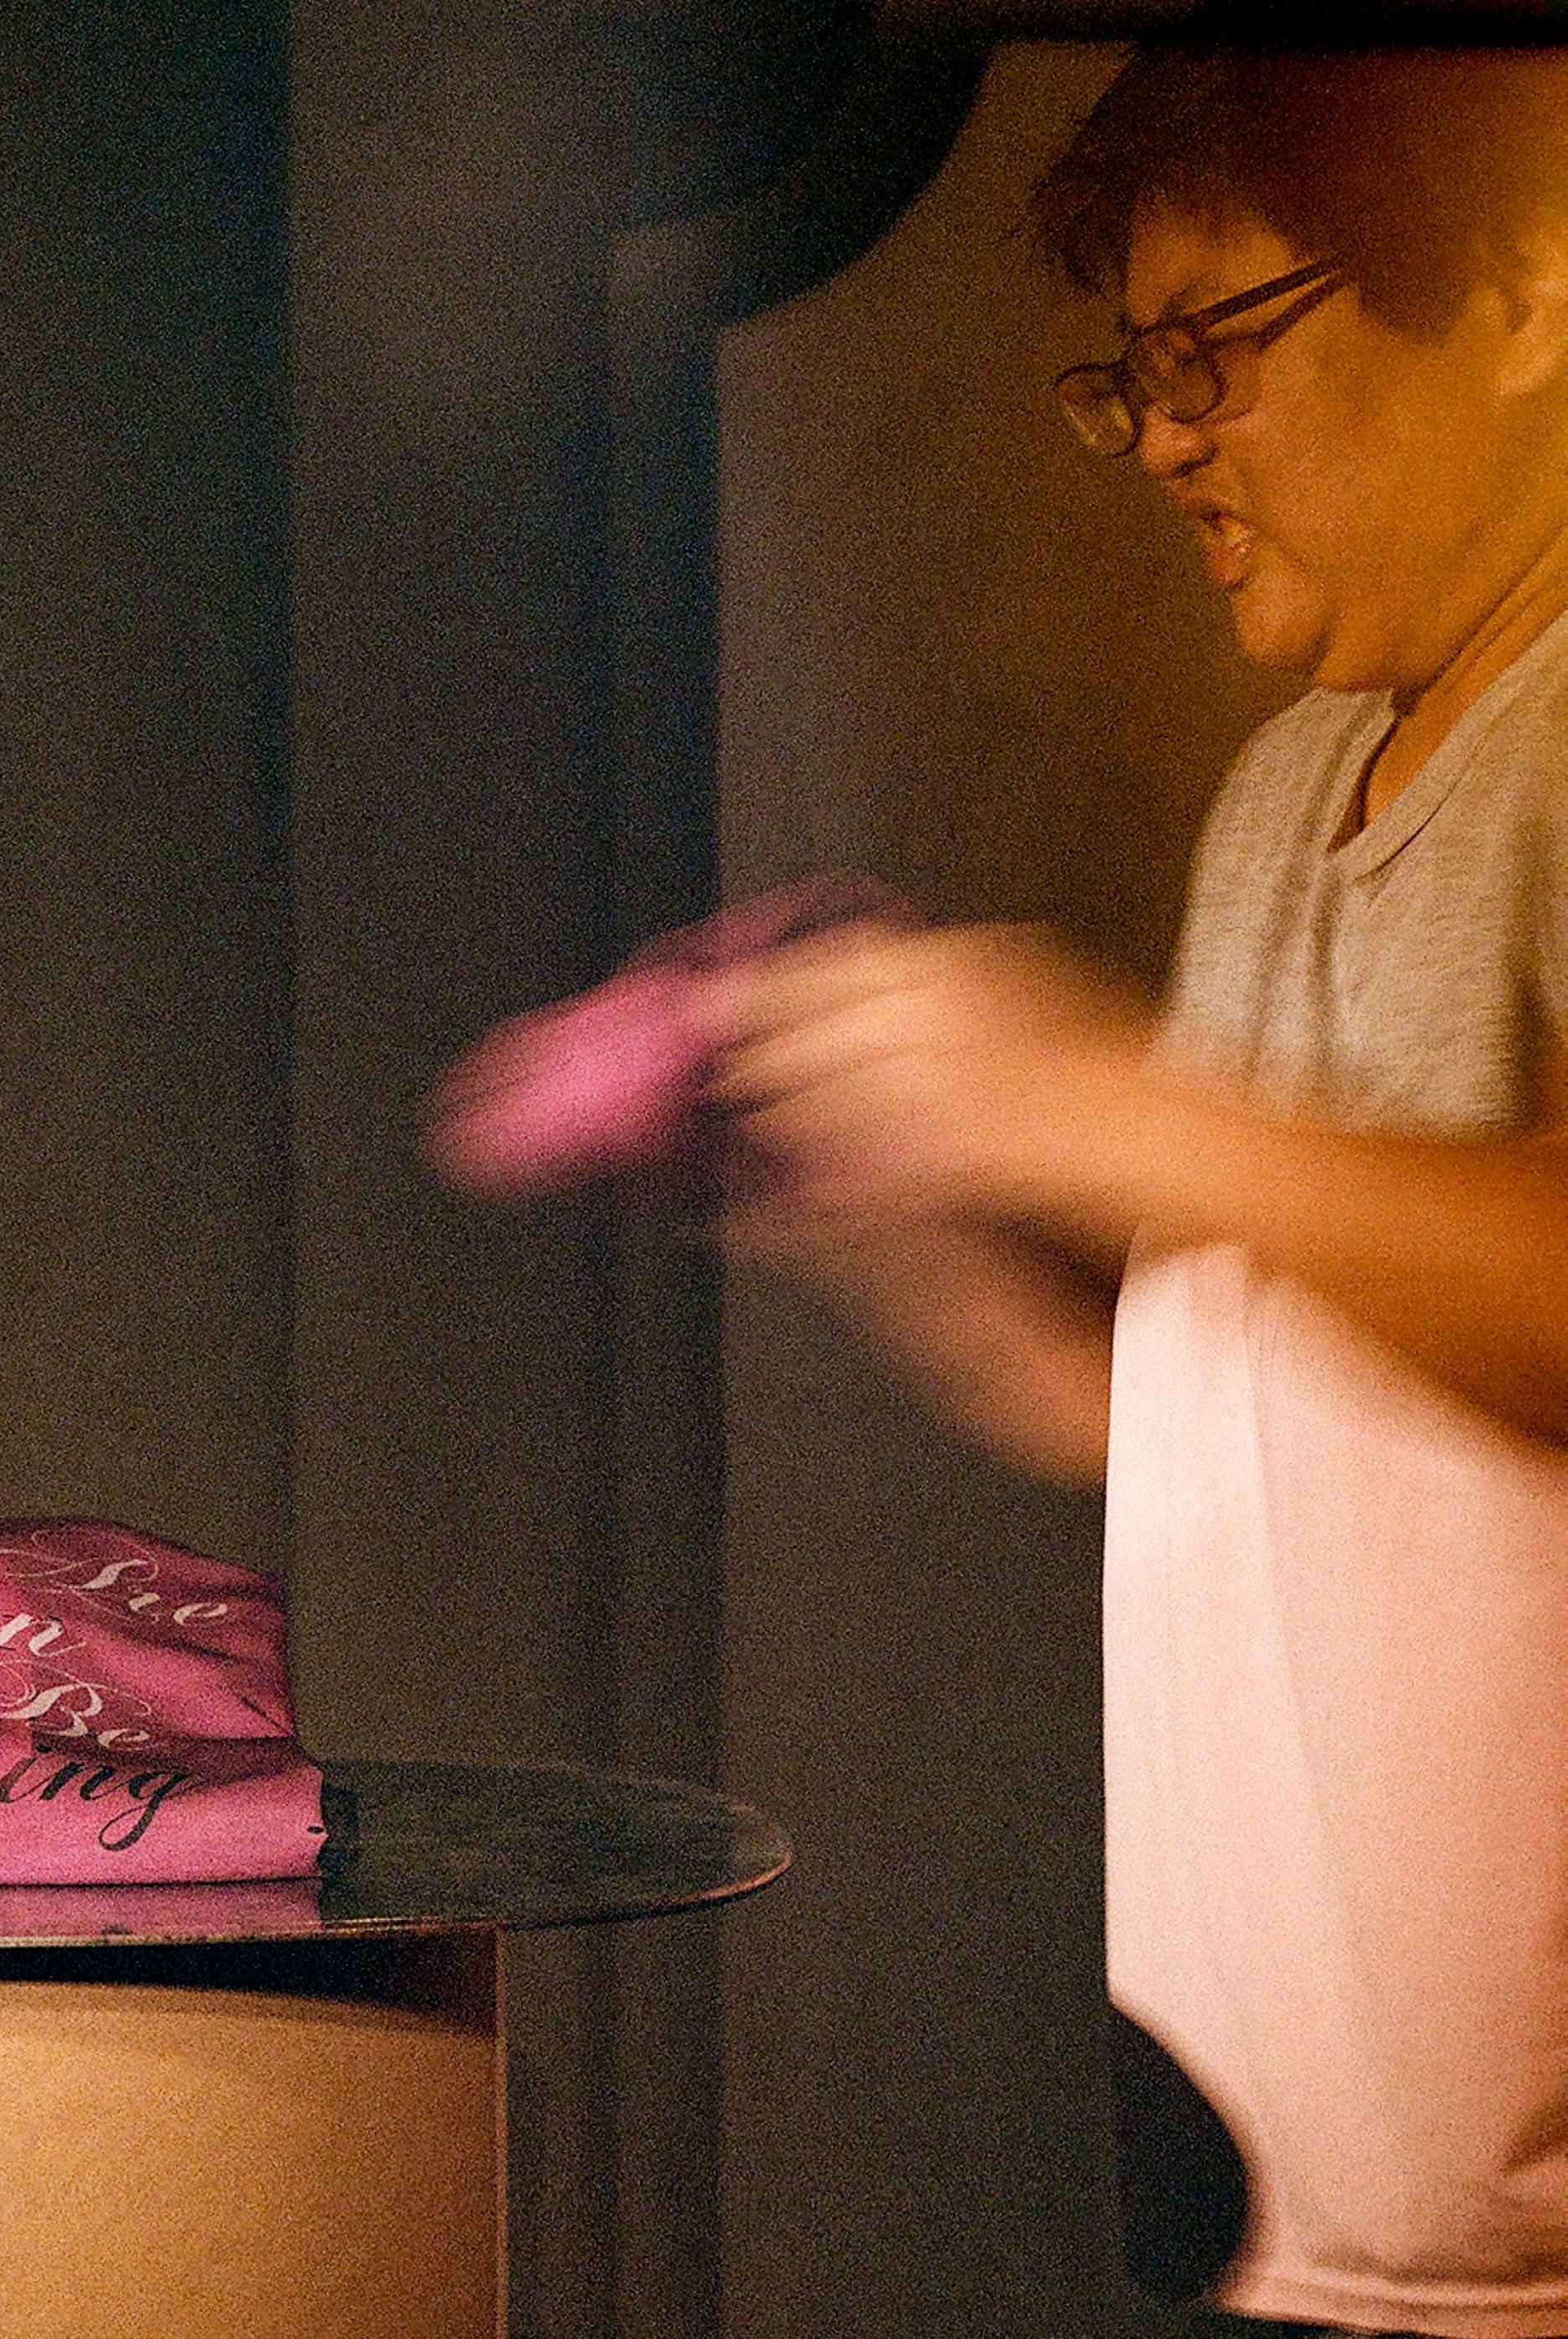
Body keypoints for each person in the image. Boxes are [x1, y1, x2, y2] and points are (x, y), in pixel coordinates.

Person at [698, 46, 1568, 2339]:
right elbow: (1206, 1436)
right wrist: (889, 1193)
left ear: (1520, 295)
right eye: (1136, 376)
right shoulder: (1285, 794)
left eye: (1219, 350)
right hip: (1301, 2190)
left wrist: (1108, 1101)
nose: (1168, 438)